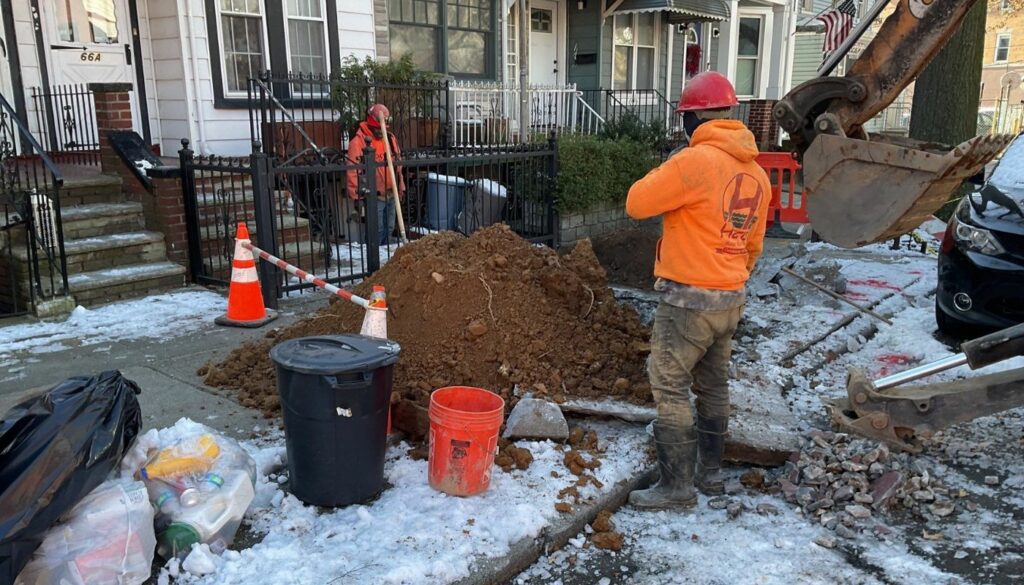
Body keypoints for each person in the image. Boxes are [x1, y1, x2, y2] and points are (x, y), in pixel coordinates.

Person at [624, 72, 771, 510]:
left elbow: (636, 202)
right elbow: (754, 245)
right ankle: (710, 475)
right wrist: (729, 275)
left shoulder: (694, 162)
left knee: (669, 385)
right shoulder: (756, 173)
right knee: (713, 385)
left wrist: (668, 164)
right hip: (730, 297)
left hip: (688, 302)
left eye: (683, 119)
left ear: (692, 117)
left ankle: (676, 488)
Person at [346, 104, 406, 246]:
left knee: (389, 228)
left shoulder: (390, 139)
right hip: (374, 196)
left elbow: (398, 166)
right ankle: (374, 261)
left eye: (383, 128)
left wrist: (400, 187)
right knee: (376, 230)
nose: (381, 131)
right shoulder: (358, 142)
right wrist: (357, 197)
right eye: (378, 128)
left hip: (392, 193)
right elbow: (353, 171)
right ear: (370, 124)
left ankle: (387, 259)